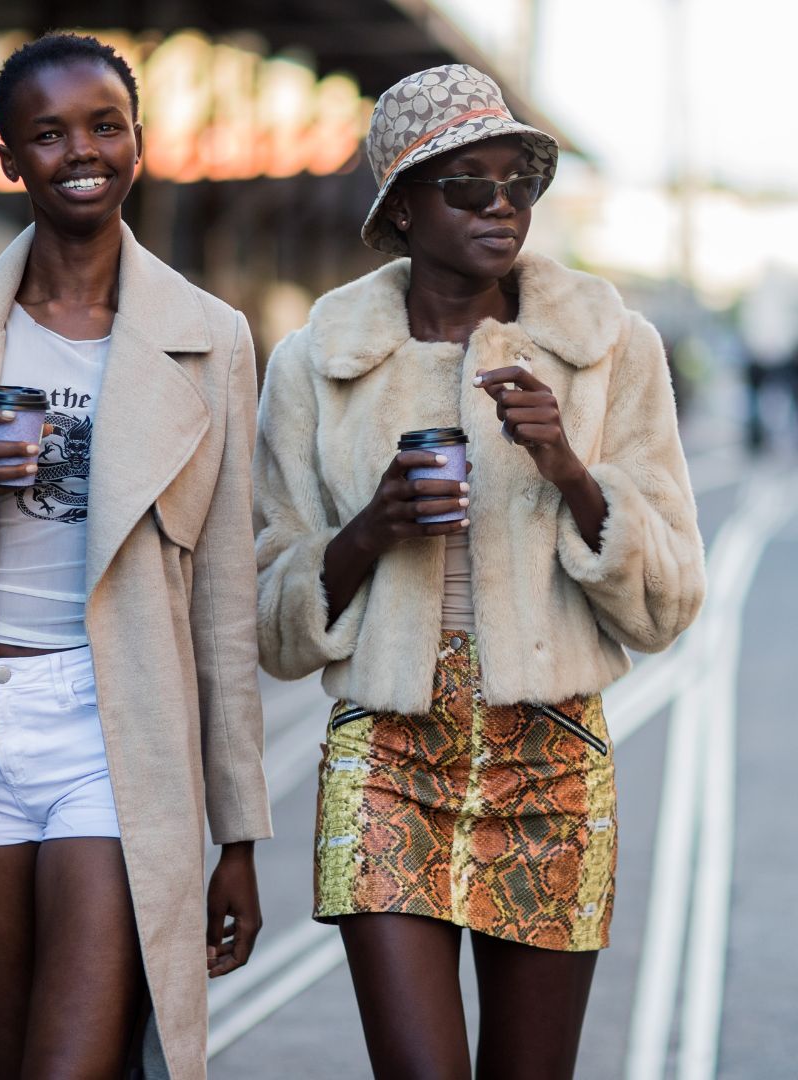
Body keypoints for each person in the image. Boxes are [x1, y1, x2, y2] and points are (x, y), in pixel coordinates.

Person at [253, 65, 705, 1080]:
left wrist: (567, 468)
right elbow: (271, 619)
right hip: (386, 756)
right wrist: (371, 527)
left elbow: (670, 599)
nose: (502, 208)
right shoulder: (318, 363)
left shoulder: (606, 350)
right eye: (468, 186)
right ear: (404, 211)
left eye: (519, 184)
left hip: (549, 757)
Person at [0, 33, 270, 1080]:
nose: (82, 150)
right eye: (48, 133)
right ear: (9, 159)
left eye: (104, 125)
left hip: (115, 735)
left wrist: (240, 840)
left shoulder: (210, 340)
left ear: (138, 143)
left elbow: (222, 606)